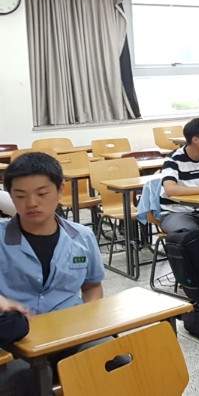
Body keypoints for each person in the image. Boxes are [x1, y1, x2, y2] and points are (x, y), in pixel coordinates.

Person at [0, 153, 107, 393]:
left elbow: (92, 286)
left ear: (60, 190)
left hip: (72, 333)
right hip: (15, 340)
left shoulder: (82, 237)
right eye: (20, 196)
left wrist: (88, 321)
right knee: (26, 381)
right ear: (10, 196)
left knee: (115, 360)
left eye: (42, 193)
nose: (32, 203)